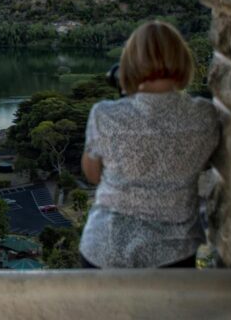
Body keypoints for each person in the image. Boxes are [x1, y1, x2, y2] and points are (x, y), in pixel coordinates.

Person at [79, 20, 221, 268]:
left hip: (105, 248)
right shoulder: (204, 115)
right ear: (182, 60)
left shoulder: (105, 114)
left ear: (129, 64)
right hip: (173, 251)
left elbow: (92, 174)